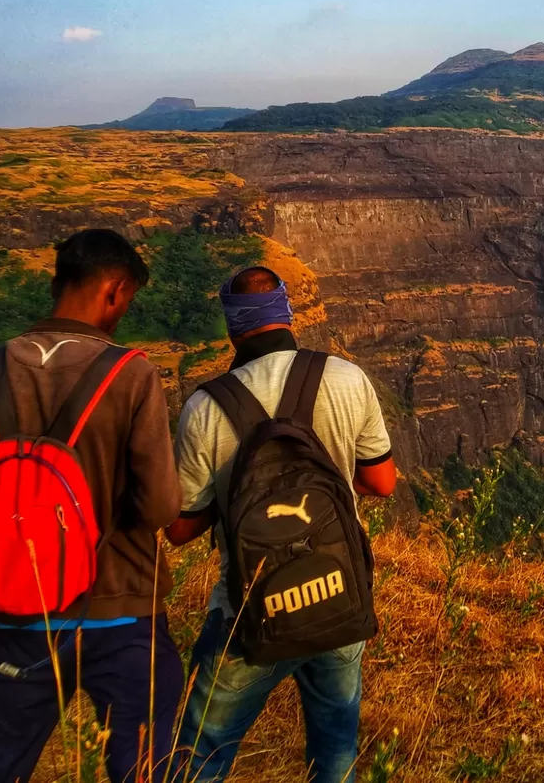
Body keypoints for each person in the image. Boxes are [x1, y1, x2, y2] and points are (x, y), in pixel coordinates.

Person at [0, 228, 183, 783]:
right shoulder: (131, 374)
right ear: (114, 291)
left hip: (22, 610)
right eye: (128, 301)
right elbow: (162, 507)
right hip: (123, 610)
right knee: (144, 765)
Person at [167, 266, 397, 783]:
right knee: (335, 755)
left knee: (198, 762)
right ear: (287, 314)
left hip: (248, 615)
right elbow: (382, 483)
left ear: (233, 327)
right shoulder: (346, 379)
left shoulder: (205, 408)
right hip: (338, 596)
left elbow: (179, 530)